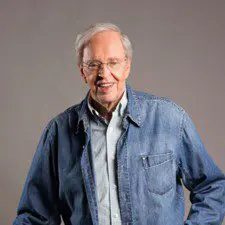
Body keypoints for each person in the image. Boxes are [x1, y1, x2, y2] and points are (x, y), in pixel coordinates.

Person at [13, 23, 225, 225]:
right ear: (82, 72)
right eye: (94, 65)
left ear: (127, 66)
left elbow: (212, 187)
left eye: (113, 62)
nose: (104, 74)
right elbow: (35, 216)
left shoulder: (169, 120)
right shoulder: (59, 133)